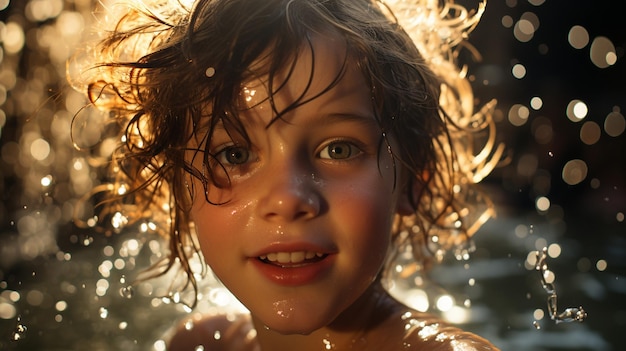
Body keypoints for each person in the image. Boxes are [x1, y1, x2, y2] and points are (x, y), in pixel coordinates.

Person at [68, 0, 503, 349]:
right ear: (179, 186)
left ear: (412, 179)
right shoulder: (201, 344)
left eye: (338, 149)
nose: (288, 198)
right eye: (234, 153)